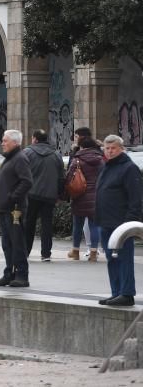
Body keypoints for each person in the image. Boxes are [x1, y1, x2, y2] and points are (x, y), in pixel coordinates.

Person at [95, 135, 142, 306]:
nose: (109, 151)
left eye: (113, 148)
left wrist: (129, 223)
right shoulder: (106, 167)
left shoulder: (129, 168)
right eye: (107, 148)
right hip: (105, 222)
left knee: (124, 259)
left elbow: (136, 199)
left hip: (121, 225)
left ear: (121, 149)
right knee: (111, 259)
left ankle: (127, 293)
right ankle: (116, 293)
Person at [0, 129, 33, 288]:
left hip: (14, 209)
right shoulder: (11, 158)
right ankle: (9, 272)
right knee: (7, 243)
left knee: (17, 243)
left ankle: (22, 275)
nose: (2, 143)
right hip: (5, 208)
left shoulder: (20, 158)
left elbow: (27, 181)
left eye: (5, 140)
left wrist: (12, 197)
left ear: (15, 142)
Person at [23, 129, 65, 262]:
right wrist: (59, 194)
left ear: (34, 139)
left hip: (31, 194)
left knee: (29, 223)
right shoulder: (56, 154)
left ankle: (25, 252)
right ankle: (46, 254)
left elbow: (21, 174)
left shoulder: (27, 152)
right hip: (49, 196)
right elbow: (61, 177)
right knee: (47, 225)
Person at [65, 127, 104, 261]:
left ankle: (75, 251)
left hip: (79, 195)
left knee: (77, 225)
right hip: (96, 195)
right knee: (94, 225)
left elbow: (69, 177)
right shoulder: (99, 159)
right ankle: (93, 253)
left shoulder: (77, 159)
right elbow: (104, 176)